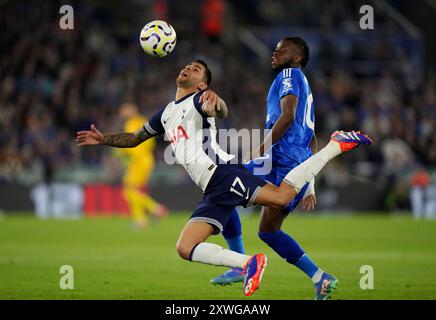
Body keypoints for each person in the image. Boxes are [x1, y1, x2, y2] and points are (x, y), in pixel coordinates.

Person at [76, 59, 372, 297]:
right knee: (185, 247)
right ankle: (246, 263)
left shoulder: (199, 101)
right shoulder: (166, 113)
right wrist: (104, 140)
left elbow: (219, 109)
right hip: (215, 185)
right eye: (188, 65)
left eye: (196, 69)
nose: (189, 68)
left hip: (224, 174)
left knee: (281, 198)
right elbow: (134, 138)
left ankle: (335, 146)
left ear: (202, 84)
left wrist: (215, 102)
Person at [210, 37, 335, 300]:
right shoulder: (304, 86)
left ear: (297, 57)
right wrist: (309, 181)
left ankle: (240, 265)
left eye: (282, 50)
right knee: (268, 231)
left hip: (280, 161)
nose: (275, 53)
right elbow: (310, 138)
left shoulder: (290, 74)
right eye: (275, 49)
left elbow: (287, 117)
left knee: (222, 188)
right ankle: (320, 277)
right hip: (297, 167)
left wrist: (262, 147)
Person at [116, 102, 168, 229]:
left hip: (139, 160)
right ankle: (141, 221)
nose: (122, 112)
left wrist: (121, 150)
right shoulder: (144, 121)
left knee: (128, 191)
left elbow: (131, 142)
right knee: (131, 190)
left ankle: (155, 208)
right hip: (146, 159)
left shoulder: (131, 123)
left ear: (132, 110)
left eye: (124, 109)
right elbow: (151, 142)